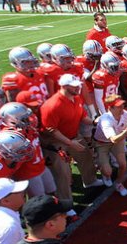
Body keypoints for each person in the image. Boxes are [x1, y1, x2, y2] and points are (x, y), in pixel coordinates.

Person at [39, 74, 100, 203]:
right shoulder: (52, 105)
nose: (78, 88)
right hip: (55, 142)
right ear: (65, 86)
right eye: (75, 86)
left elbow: (83, 117)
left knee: (86, 156)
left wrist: (95, 122)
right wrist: (69, 143)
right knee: (63, 173)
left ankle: (90, 181)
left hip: (73, 136)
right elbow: (51, 130)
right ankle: (65, 202)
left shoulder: (76, 99)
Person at [93, 95, 127, 196]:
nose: (122, 108)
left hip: (118, 140)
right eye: (118, 106)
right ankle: (104, 172)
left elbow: (123, 129)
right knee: (108, 172)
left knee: (123, 164)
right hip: (102, 143)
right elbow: (113, 139)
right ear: (110, 108)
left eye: (122, 105)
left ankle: (119, 183)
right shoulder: (105, 120)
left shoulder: (125, 114)